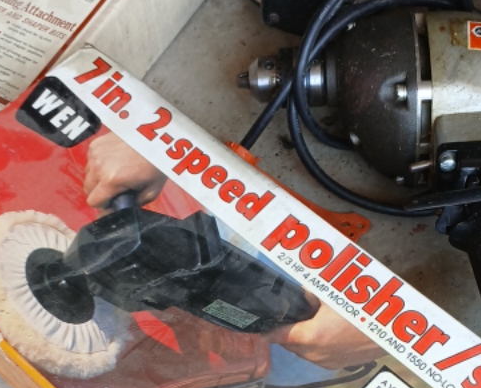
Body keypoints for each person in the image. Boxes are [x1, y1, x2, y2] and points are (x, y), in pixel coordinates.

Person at [82, 130, 379, 366]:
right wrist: (154, 132)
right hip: (225, 182)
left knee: (247, 374)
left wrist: (381, 336)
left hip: (340, 308)